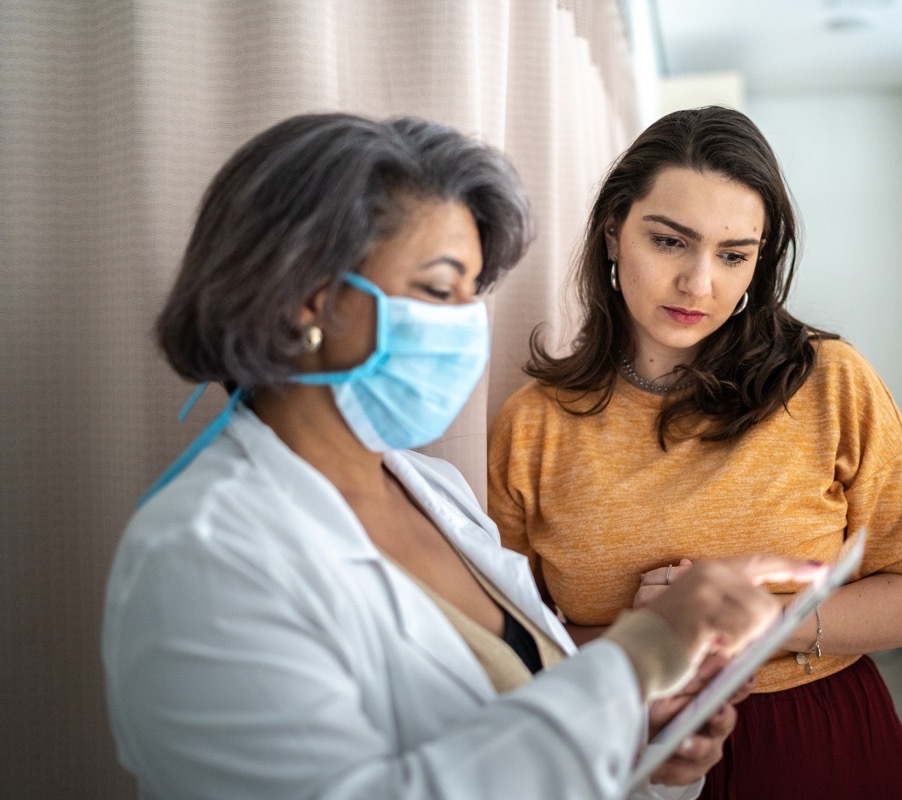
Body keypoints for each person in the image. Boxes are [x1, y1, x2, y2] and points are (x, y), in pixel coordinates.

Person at [100, 112, 829, 800]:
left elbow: (532, 725)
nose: (465, 330)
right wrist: (633, 663)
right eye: (438, 291)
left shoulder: (432, 490)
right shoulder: (200, 554)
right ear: (304, 297)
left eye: (471, 294)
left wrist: (644, 748)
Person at [487, 106, 902, 800]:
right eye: (671, 242)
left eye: (733, 254)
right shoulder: (533, 424)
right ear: (614, 231)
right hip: (621, 745)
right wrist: (653, 635)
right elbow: (514, 643)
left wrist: (772, 624)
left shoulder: (829, 382)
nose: (700, 284)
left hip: (815, 741)